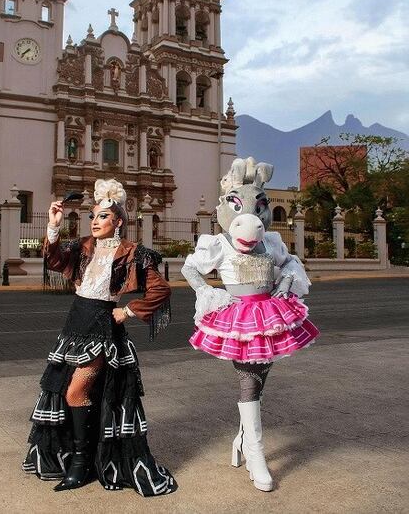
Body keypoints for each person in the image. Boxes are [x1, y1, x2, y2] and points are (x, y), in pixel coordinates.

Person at [22, 179, 174, 497]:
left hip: (102, 330)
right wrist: (53, 226)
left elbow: (160, 289)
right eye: (93, 216)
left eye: (103, 216)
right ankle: (85, 459)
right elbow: (53, 260)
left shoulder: (132, 253)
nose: (94, 221)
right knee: (65, 390)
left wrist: (128, 311)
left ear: (118, 221)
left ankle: (81, 464)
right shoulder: (83, 247)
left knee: (76, 391)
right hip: (75, 324)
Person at [182, 157, 319, 493]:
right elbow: (190, 268)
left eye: (260, 207)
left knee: (260, 380)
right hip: (238, 318)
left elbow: (290, 263)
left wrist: (286, 281)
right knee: (249, 382)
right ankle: (256, 454)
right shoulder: (219, 244)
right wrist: (208, 293)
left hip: (271, 316)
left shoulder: (270, 242)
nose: (253, 218)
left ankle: (242, 439)